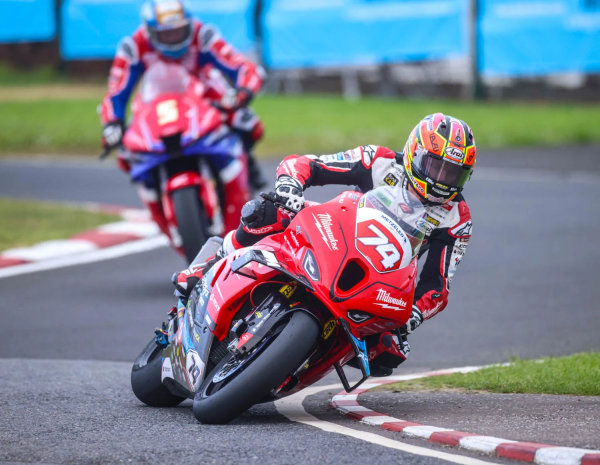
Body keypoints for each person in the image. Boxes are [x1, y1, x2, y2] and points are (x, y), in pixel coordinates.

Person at [173, 113, 476, 376]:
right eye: (436, 166)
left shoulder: (457, 218)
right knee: (268, 211)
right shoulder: (380, 161)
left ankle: (297, 363)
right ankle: (207, 267)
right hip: (337, 233)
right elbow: (307, 164)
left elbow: (437, 286)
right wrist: (290, 184)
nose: (441, 180)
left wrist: (414, 314)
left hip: (382, 278)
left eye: (453, 173)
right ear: (415, 153)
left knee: (387, 353)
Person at [99, 0, 267, 204]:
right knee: (125, 151)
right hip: (153, 100)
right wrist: (112, 122)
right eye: (166, 34)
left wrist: (243, 90)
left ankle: (247, 167)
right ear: (151, 32)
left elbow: (241, 66)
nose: (174, 39)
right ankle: (152, 189)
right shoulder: (134, 46)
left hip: (203, 92)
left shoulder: (202, 35)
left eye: (179, 31)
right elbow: (116, 91)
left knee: (246, 121)